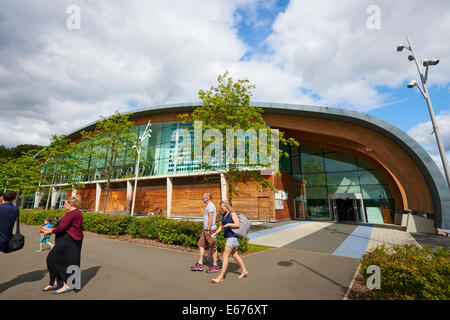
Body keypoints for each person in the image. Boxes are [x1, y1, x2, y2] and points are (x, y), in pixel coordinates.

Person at [42, 196, 83, 294]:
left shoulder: (72, 214)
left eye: (65, 204)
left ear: (71, 204)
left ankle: (67, 285)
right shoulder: (74, 213)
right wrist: (51, 230)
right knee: (54, 259)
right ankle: (54, 282)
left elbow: (61, 228)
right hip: (66, 240)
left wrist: (49, 231)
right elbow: (63, 227)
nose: (64, 205)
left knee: (65, 262)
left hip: (69, 241)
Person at [210, 201, 248, 283]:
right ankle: (244, 271)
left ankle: (220, 277)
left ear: (226, 206)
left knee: (225, 255)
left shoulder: (232, 213)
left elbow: (237, 224)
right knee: (235, 255)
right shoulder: (224, 214)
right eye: (220, 207)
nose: (221, 209)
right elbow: (221, 226)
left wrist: (229, 224)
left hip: (232, 237)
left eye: (222, 207)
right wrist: (215, 233)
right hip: (229, 237)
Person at [191, 193, 219, 273]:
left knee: (213, 247)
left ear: (207, 198)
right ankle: (200, 264)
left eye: (203, 197)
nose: (202, 199)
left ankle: (215, 265)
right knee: (200, 244)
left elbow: (211, 217)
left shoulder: (210, 206)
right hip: (205, 229)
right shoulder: (208, 205)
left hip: (210, 230)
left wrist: (208, 228)